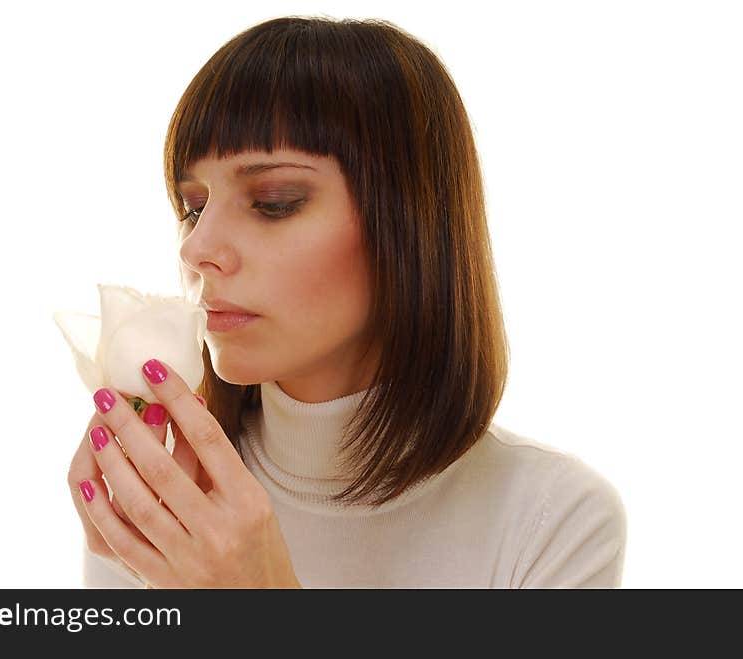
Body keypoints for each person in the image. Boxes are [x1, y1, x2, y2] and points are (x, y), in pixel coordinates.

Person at [67, 15, 627, 588]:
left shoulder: (554, 520)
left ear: (408, 223)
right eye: (193, 207)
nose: (198, 248)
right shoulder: (159, 502)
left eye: (274, 201)